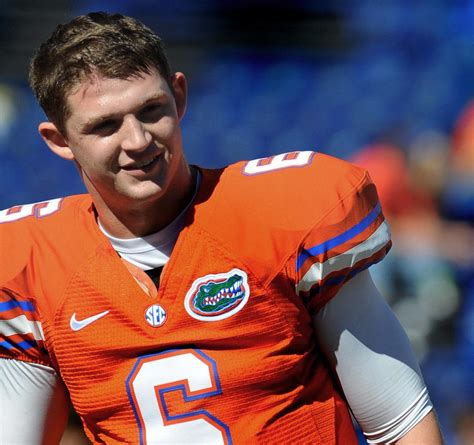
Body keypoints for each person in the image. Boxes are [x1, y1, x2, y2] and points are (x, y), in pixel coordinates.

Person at [0, 12, 444, 445]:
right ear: (59, 140)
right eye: (105, 125)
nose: (137, 140)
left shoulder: (278, 216)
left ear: (179, 96)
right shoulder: (32, 265)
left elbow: (401, 424)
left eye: (151, 110)